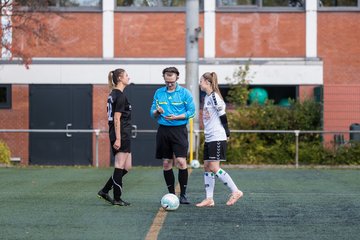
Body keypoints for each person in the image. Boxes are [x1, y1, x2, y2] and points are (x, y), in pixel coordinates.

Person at [196, 72, 243, 207]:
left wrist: (227, 132)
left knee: (214, 166)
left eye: (201, 81)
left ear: (208, 83)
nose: (200, 83)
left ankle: (236, 191)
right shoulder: (206, 97)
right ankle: (209, 199)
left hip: (217, 136)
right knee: (206, 166)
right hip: (210, 137)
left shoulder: (215, 97)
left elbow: (223, 115)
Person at [150, 67, 195, 204]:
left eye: (172, 81)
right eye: (167, 81)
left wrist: (176, 117)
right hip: (163, 131)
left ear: (177, 78)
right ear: (164, 78)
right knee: (166, 163)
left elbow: (191, 112)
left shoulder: (185, 93)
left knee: (181, 161)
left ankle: (183, 194)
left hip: (179, 130)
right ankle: (171, 195)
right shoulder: (158, 93)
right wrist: (157, 111)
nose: (169, 83)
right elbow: (152, 113)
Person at [98, 68, 132, 206]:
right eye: (126, 76)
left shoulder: (114, 94)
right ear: (119, 78)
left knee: (127, 166)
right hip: (120, 134)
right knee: (119, 166)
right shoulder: (119, 95)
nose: (128, 78)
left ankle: (105, 190)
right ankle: (117, 198)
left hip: (123, 133)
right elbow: (117, 119)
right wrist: (118, 138)